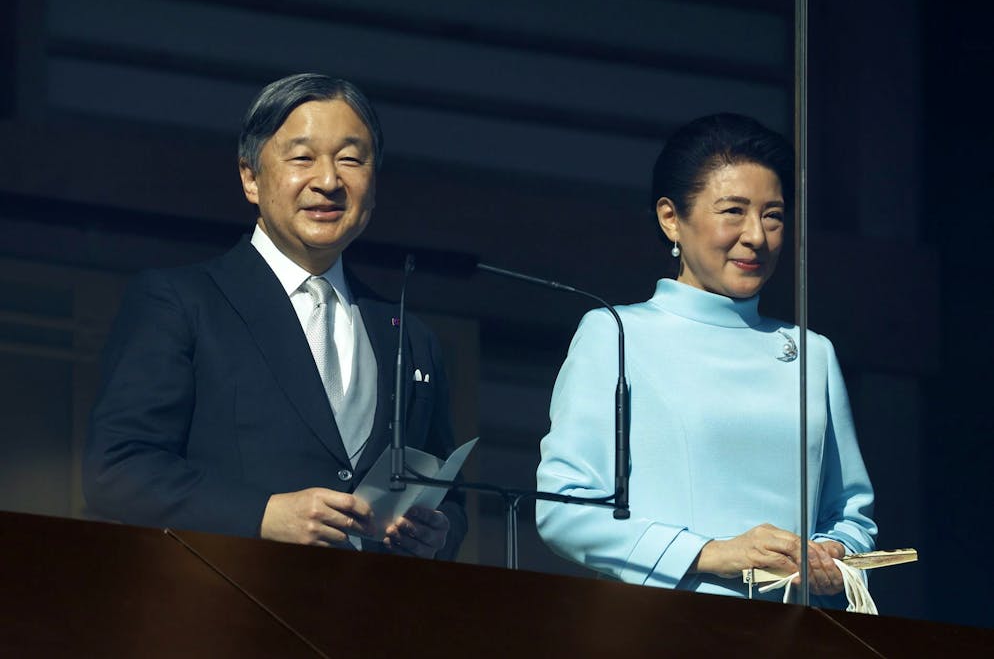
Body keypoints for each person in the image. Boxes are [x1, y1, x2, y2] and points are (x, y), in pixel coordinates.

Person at [84, 73, 465, 560]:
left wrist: (439, 532)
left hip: (371, 623)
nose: (328, 181)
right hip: (229, 609)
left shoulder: (409, 335)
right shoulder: (182, 302)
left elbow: (448, 495)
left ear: (374, 184)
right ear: (250, 177)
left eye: (351, 159)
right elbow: (115, 470)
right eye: (302, 157)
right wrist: (261, 514)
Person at [535, 113, 876, 603]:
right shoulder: (617, 333)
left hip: (797, 635)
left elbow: (849, 514)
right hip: (670, 629)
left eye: (773, 215)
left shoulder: (812, 354)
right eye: (733, 211)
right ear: (671, 218)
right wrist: (712, 553)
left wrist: (831, 558)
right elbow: (564, 508)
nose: (757, 236)